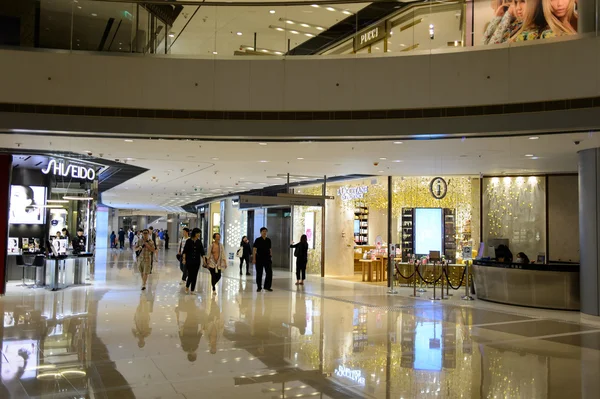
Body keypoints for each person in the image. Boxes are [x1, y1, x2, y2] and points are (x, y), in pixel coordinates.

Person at [182, 228, 206, 295]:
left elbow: (202, 252)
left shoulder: (199, 242)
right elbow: (185, 251)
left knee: (195, 275)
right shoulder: (188, 241)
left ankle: (192, 290)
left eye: (199, 233)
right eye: (198, 233)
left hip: (197, 262)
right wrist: (184, 259)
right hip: (189, 261)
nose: (199, 235)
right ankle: (187, 286)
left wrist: (204, 260)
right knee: (190, 275)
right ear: (194, 233)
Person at [253, 227, 273, 292]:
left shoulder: (268, 240)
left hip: (267, 258)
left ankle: (267, 286)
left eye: (265, 231)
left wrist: (271, 255)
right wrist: (254, 259)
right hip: (259, 258)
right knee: (259, 273)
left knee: (269, 272)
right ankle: (259, 287)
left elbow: (270, 249)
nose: (264, 232)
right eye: (263, 231)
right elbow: (254, 250)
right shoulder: (257, 240)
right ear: (260, 232)